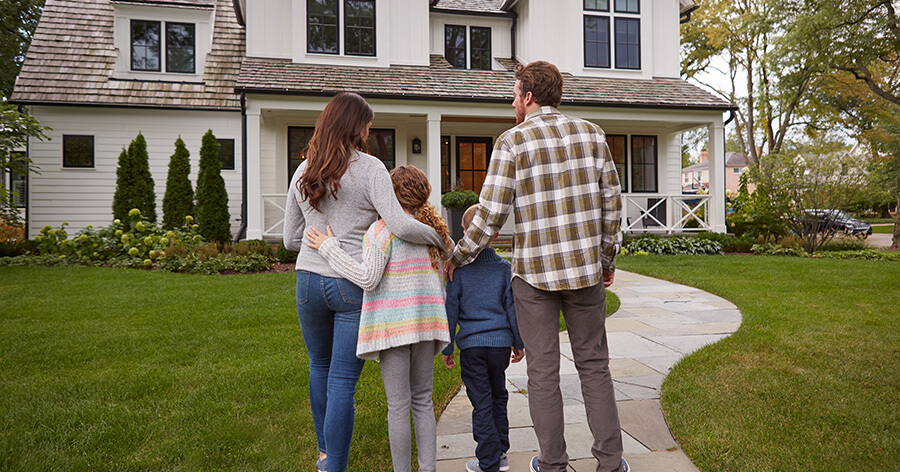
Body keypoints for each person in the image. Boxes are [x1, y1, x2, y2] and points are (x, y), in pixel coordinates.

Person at [445, 61, 627, 472]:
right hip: (584, 273)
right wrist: (606, 259)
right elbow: (612, 206)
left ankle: (552, 464)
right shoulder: (593, 134)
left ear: (528, 96)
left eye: (514, 95)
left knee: (543, 371)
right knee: (595, 366)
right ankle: (611, 464)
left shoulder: (512, 142)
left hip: (535, 278)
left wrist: (457, 258)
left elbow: (489, 216)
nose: (512, 103)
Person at [283, 93, 445, 472]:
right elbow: (402, 224)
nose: (369, 130)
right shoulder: (370, 168)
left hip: (308, 280)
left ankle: (325, 454)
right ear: (356, 125)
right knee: (341, 381)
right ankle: (334, 466)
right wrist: (440, 239)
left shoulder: (302, 171)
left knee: (317, 367)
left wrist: (322, 238)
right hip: (350, 282)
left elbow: (291, 239)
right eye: (367, 123)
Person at [304, 164, 452, 472]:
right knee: (423, 400)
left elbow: (367, 278)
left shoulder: (382, 230)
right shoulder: (434, 234)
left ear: (389, 195)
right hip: (428, 326)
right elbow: (440, 285)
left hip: (393, 327)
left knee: (398, 406)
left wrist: (329, 248)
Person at [441, 204, 525, 472]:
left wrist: (448, 347)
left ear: (464, 234)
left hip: (473, 347)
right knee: (498, 395)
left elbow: (450, 310)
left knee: (482, 402)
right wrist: (518, 342)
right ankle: (500, 453)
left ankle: (488, 462)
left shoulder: (457, 271)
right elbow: (512, 308)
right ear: (496, 235)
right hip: (500, 347)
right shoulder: (503, 268)